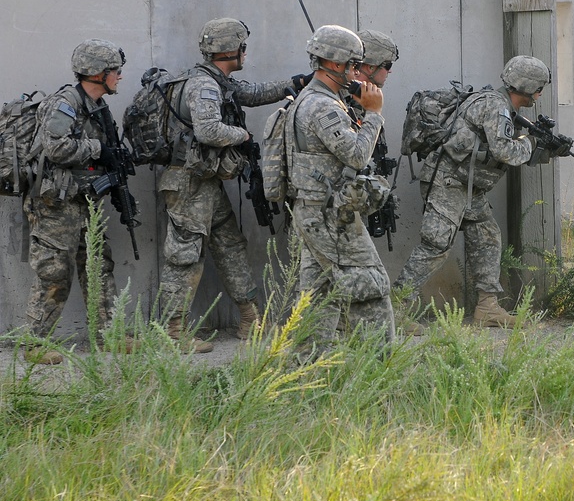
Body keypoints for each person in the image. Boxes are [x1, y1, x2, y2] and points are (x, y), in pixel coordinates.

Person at [157, 18, 311, 352]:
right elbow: (209, 131)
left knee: (230, 247)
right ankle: (173, 332)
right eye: (243, 47)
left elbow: (252, 94)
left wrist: (297, 82)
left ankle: (249, 320)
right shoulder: (204, 85)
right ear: (232, 50)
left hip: (205, 182)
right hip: (187, 184)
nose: (245, 53)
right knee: (184, 257)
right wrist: (243, 135)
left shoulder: (219, 81)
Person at [392, 55, 550, 328]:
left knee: (487, 236)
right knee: (436, 246)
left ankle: (487, 307)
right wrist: (532, 144)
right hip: (448, 183)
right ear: (526, 87)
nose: (539, 94)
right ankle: (395, 309)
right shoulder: (495, 106)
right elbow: (505, 152)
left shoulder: (498, 105)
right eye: (539, 88)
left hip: (466, 187)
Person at [284, 24, 394, 345]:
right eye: (353, 65)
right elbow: (357, 156)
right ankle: (378, 370)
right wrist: (374, 113)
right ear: (334, 64)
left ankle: (308, 369)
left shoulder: (320, 100)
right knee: (370, 289)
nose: (358, 72)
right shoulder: (322, 107)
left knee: (318, 297)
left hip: (315, 213)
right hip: (332, 218)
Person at [22, 39, 131, 365]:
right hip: (57, 205)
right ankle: (34, 343)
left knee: (98, 266)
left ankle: (109, 336)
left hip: (85, 201)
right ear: (99, 74)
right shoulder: (65, 103)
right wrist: (100, 151)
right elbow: (55, 148)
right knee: (53, 272)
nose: (120, 77)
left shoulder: (97, 107)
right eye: (116, 71)